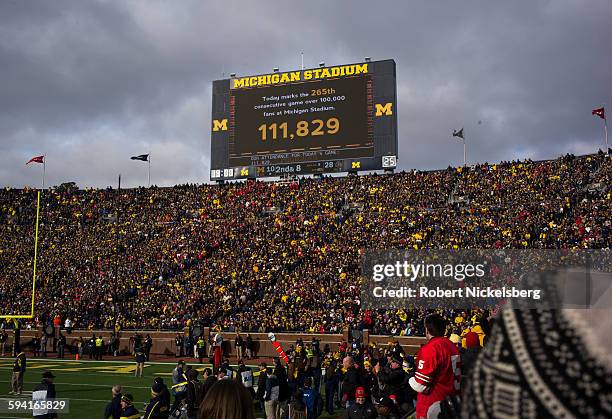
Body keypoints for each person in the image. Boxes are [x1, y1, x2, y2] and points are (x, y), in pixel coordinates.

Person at [409, 314, 460, 419]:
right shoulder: (452, 346)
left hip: (433, 406)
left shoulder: (431, 348)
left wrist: (410, 379)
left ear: (427, 330)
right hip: (451, 403)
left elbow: (420, 385)